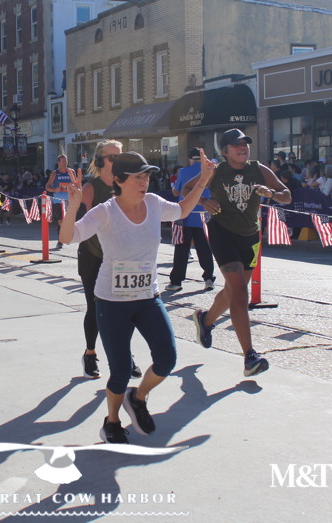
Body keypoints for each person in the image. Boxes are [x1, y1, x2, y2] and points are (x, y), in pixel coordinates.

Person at [59, 150, 214, 443]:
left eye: (147, 177)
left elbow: (182, 210)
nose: (144, 183)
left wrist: (204, 179)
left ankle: (138, 398)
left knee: (166, 359)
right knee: (119, 371)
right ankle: (112, 422)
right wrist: (73, 206)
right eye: (137, 178)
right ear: (118, 180)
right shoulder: (105, 211)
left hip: (147, 298)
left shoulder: (154, 204)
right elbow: (68, 237)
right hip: (112, 302)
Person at [188, 128, 289, 377]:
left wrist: (272, 194)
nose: (243, 148)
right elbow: (186, 189)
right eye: (236, 145)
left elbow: (286, 196)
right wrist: (204, 201)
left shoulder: (259, 169)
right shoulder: (216, 171)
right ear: (225, 151)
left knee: (233, 290)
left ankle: (206, 320)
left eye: (245, 143)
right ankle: (250, 357)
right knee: (241, 292)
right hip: (222, 233)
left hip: (250, 237)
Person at [74, 139, 139, 381]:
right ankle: (90, 354)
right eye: (113, 157)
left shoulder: (127, 185)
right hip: (93, 255)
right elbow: (80, 223)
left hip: (120, 256)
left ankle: (125, 356)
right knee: (96, 308)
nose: (118, 160)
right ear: (100, 162)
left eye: (120, 156)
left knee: (126, 309)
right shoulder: (91, 188)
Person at [166, 147, 216, 293]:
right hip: (204, 215)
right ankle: (208, 279)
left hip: (185, 215)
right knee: (204, 248)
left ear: (189, 159)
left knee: (181, 249)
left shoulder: (183, 172)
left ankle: (176, 282)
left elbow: (177, 192)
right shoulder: (211, 171)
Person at [45, 155, 73, 251]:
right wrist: (55, 189)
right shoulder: (54, 174)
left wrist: (73, 187)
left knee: (68, 221)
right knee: (60, 221)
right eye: (62, 161)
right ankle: (60, 240)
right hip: (58, 201)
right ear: (58, 163)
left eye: (66, 161)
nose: (64, 163)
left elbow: (77, 184)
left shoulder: (71, 172)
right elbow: (47, 187)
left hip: (69, 201)